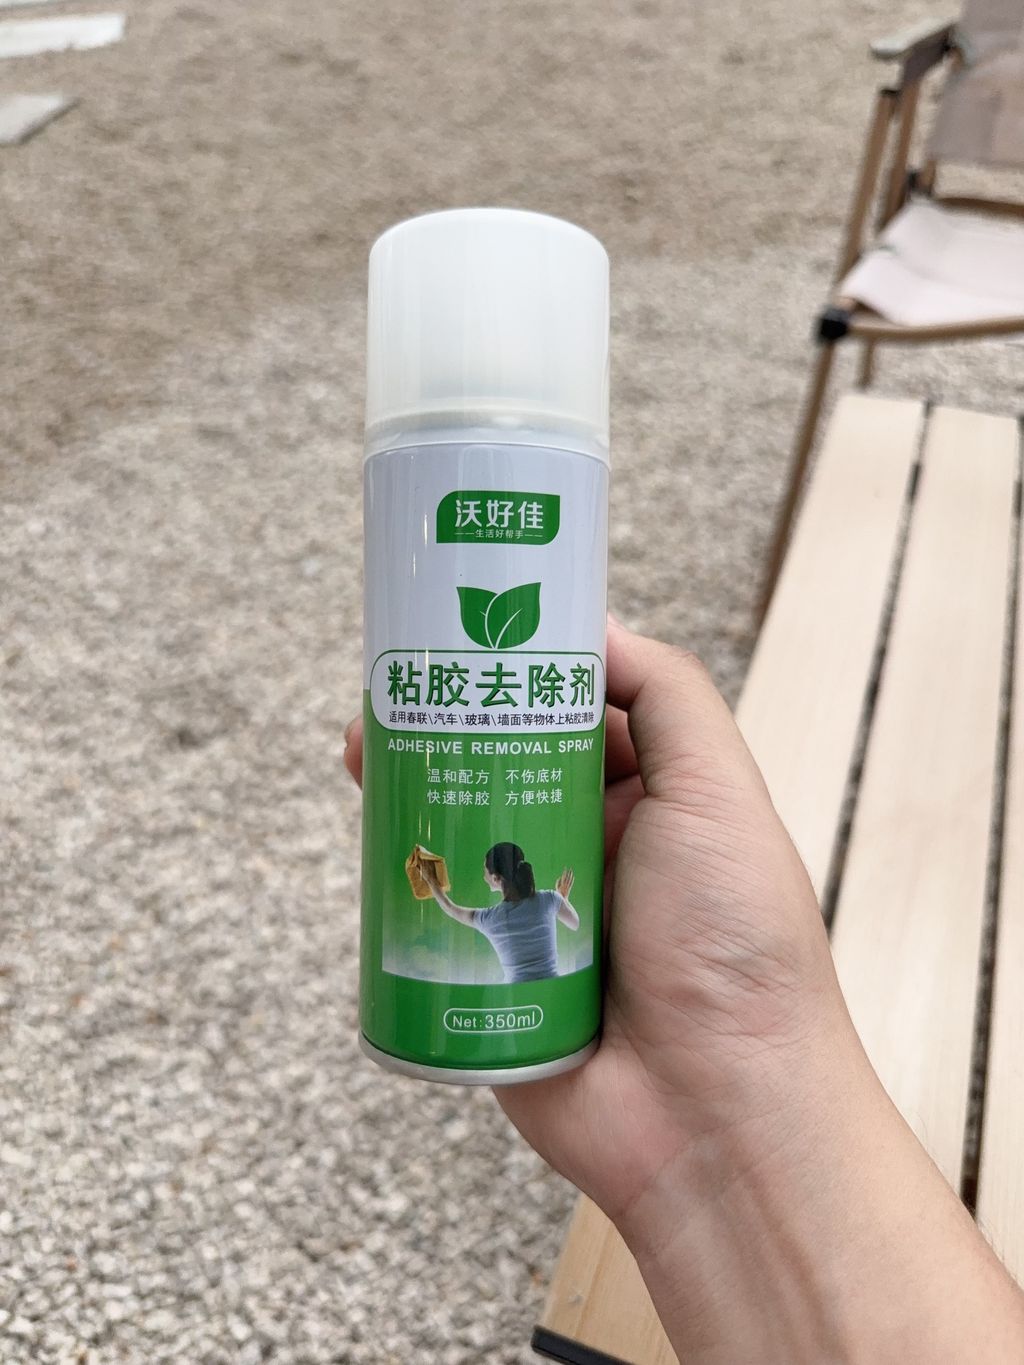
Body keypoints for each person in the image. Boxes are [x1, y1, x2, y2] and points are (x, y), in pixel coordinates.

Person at [345, 617, 1024, 1361]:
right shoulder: (538, 906)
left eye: (486, 872)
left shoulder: (495, 915)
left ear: (492, 876)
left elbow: (453, 911)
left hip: (537, 1011)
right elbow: (568, 915)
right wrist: (563, 897)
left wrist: (435, 884)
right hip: (560, 997)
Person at [420, 842, 579, 983]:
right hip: (551, 988)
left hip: (514, 994)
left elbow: (449, 907)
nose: (484, 876)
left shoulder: (490, 919)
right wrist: (563, 898)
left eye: (485, 870)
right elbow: (575, 924)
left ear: (495, 878)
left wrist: (430, 879)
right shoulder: (550, 899)